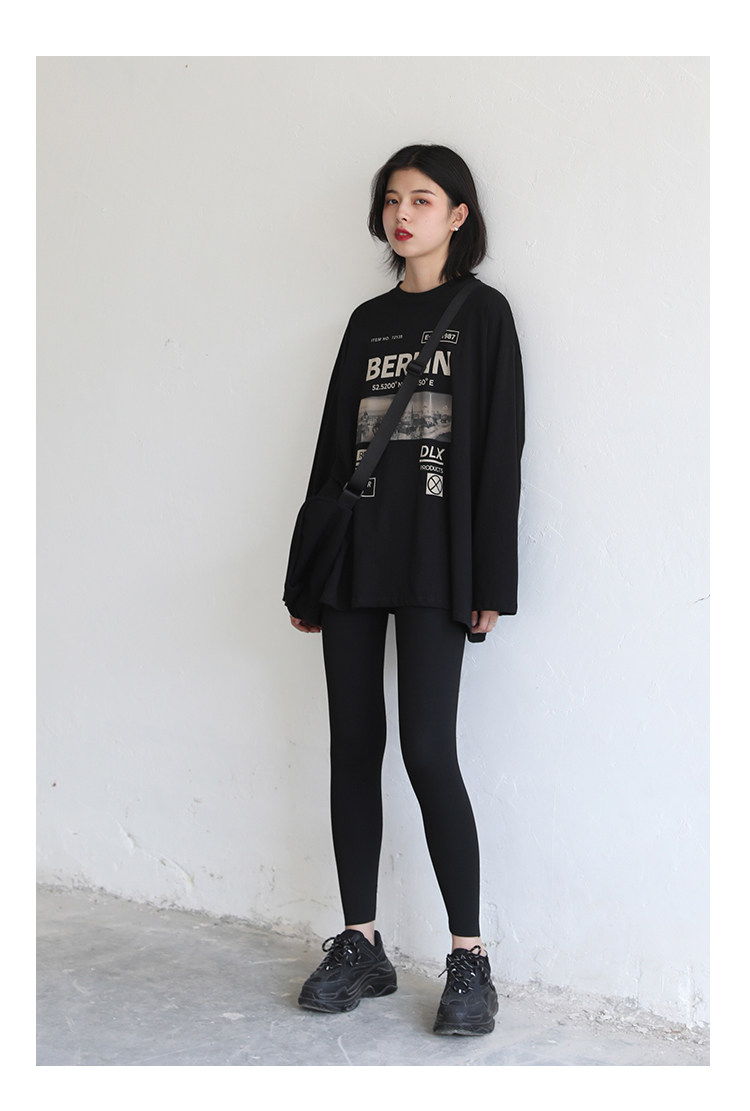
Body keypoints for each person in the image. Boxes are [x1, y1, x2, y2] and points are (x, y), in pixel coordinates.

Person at [288, 144, 524, 1036]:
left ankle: (469, 956)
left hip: (437, 560)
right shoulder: (367, 320)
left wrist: (491, 577)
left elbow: (499, 450)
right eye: (393, 199)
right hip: (355, 558)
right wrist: (306, 576)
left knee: (428, 749)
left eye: (423, 199)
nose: (403, 213)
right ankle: (361, 942)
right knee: (355, 743)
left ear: (458, 215)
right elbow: (330, 448)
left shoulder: (485, 315)